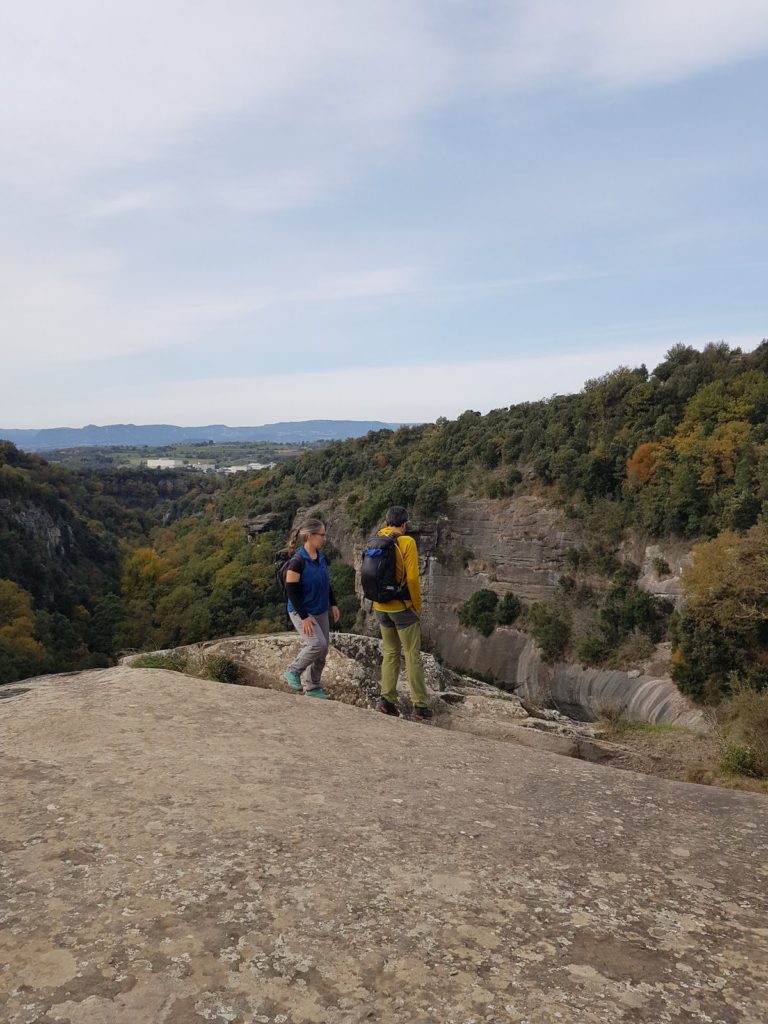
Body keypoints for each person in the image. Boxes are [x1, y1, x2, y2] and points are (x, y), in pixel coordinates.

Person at [372, 506, 432, 720]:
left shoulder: (376, 538)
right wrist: (416, 605)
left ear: (387, 522)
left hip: (380, 607)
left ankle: (386, 701)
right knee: (412, 655)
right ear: (404, 524)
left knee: (390, 653)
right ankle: (420, 706)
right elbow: (414, 579)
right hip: (402, 607)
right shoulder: (406, 542)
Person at [282, 518, 340, 698]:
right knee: (317, 644)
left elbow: (325, 582)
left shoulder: (321, 557)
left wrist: (333, 603)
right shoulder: (297, 561)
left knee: (323, 650)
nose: (324, 538)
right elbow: (291, 590)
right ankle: (292, 671)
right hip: (301, 611)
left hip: (320, 609)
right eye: (321, 535)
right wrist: (304, 617)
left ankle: (313, 687)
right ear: (309, 536)